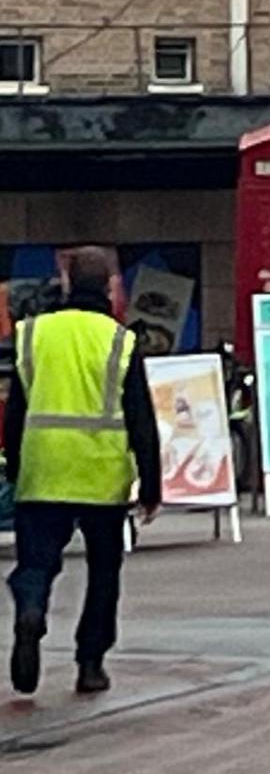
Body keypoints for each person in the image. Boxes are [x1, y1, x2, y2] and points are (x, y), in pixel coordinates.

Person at [5, 247, 160, 696]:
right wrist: (151, 484)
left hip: (43, 471)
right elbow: (141, 420)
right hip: (101, 476)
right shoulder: (120, 340)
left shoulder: (33, 334)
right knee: (104, 571)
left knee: (36, 563)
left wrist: (16, 466)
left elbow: (17, 411)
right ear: (110, 287)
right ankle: (90, 663)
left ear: (68, 283)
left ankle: (31, 611)